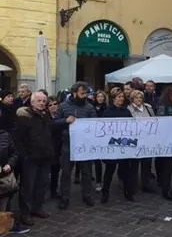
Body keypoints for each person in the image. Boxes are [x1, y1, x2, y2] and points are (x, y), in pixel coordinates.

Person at [55, 82, 97, 210]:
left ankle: (87, 195)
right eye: (82, 93)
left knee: (87, 172)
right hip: (68, 144)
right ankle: (64, 198)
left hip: (84, 144)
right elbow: (55, 122)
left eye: (86, 93)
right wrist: (65, 121)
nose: (84, 96)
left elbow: (95, 124)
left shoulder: (89, 108)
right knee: (66, 172)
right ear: (74, 93)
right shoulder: (63, 106)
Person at [13, 92, 53, 226]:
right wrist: (24, 155)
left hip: (45, 156)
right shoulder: (25, 116)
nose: (42, 103)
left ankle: (37, 208)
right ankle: (25, 213)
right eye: (39, 101)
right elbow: (18, 138)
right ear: (32, 102)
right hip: (30, 158)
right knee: (27, 187)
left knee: (41, 184)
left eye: (43, 101)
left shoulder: (46, 115)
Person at [100, 87, 136, 204]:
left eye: (122, 97)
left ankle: (128, 192)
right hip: (112, 145)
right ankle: (105, 193)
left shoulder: (126, 111)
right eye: (119, 97)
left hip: (123, 146)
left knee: (126, 171)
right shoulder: (108, 111)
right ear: (114, 98)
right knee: (109, 171)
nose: (121, 99)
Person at [0, 120, 29, 233]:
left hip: (4, 177)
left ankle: (7, 225)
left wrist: (9, 164)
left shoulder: (5, 135)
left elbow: (15, 153)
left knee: (5, 204)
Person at [154, 87, 172, 201]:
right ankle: (165, 190)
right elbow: (160, 124)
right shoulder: (163, 107)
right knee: (166, 167)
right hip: (165, 141)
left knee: (169, 167)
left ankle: (167, 187)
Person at [128, 90, 156, 193]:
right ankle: (132, 185)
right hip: (135, 140)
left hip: (147, 140)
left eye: (140, 98)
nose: (139, 99)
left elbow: (154, 120)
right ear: (132, 99)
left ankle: (146, 184)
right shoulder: (129, 109)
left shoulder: (148, 108)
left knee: (147, 163)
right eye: (136, 98)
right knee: (134, 164)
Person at [48, 96, 62, 199]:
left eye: (55, 104)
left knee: (55, 170)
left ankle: (53, 190)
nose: (53, 106)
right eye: (50, 105)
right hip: (48, 147)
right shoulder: (45, 117)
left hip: (58, 147)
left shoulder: (60, 115)